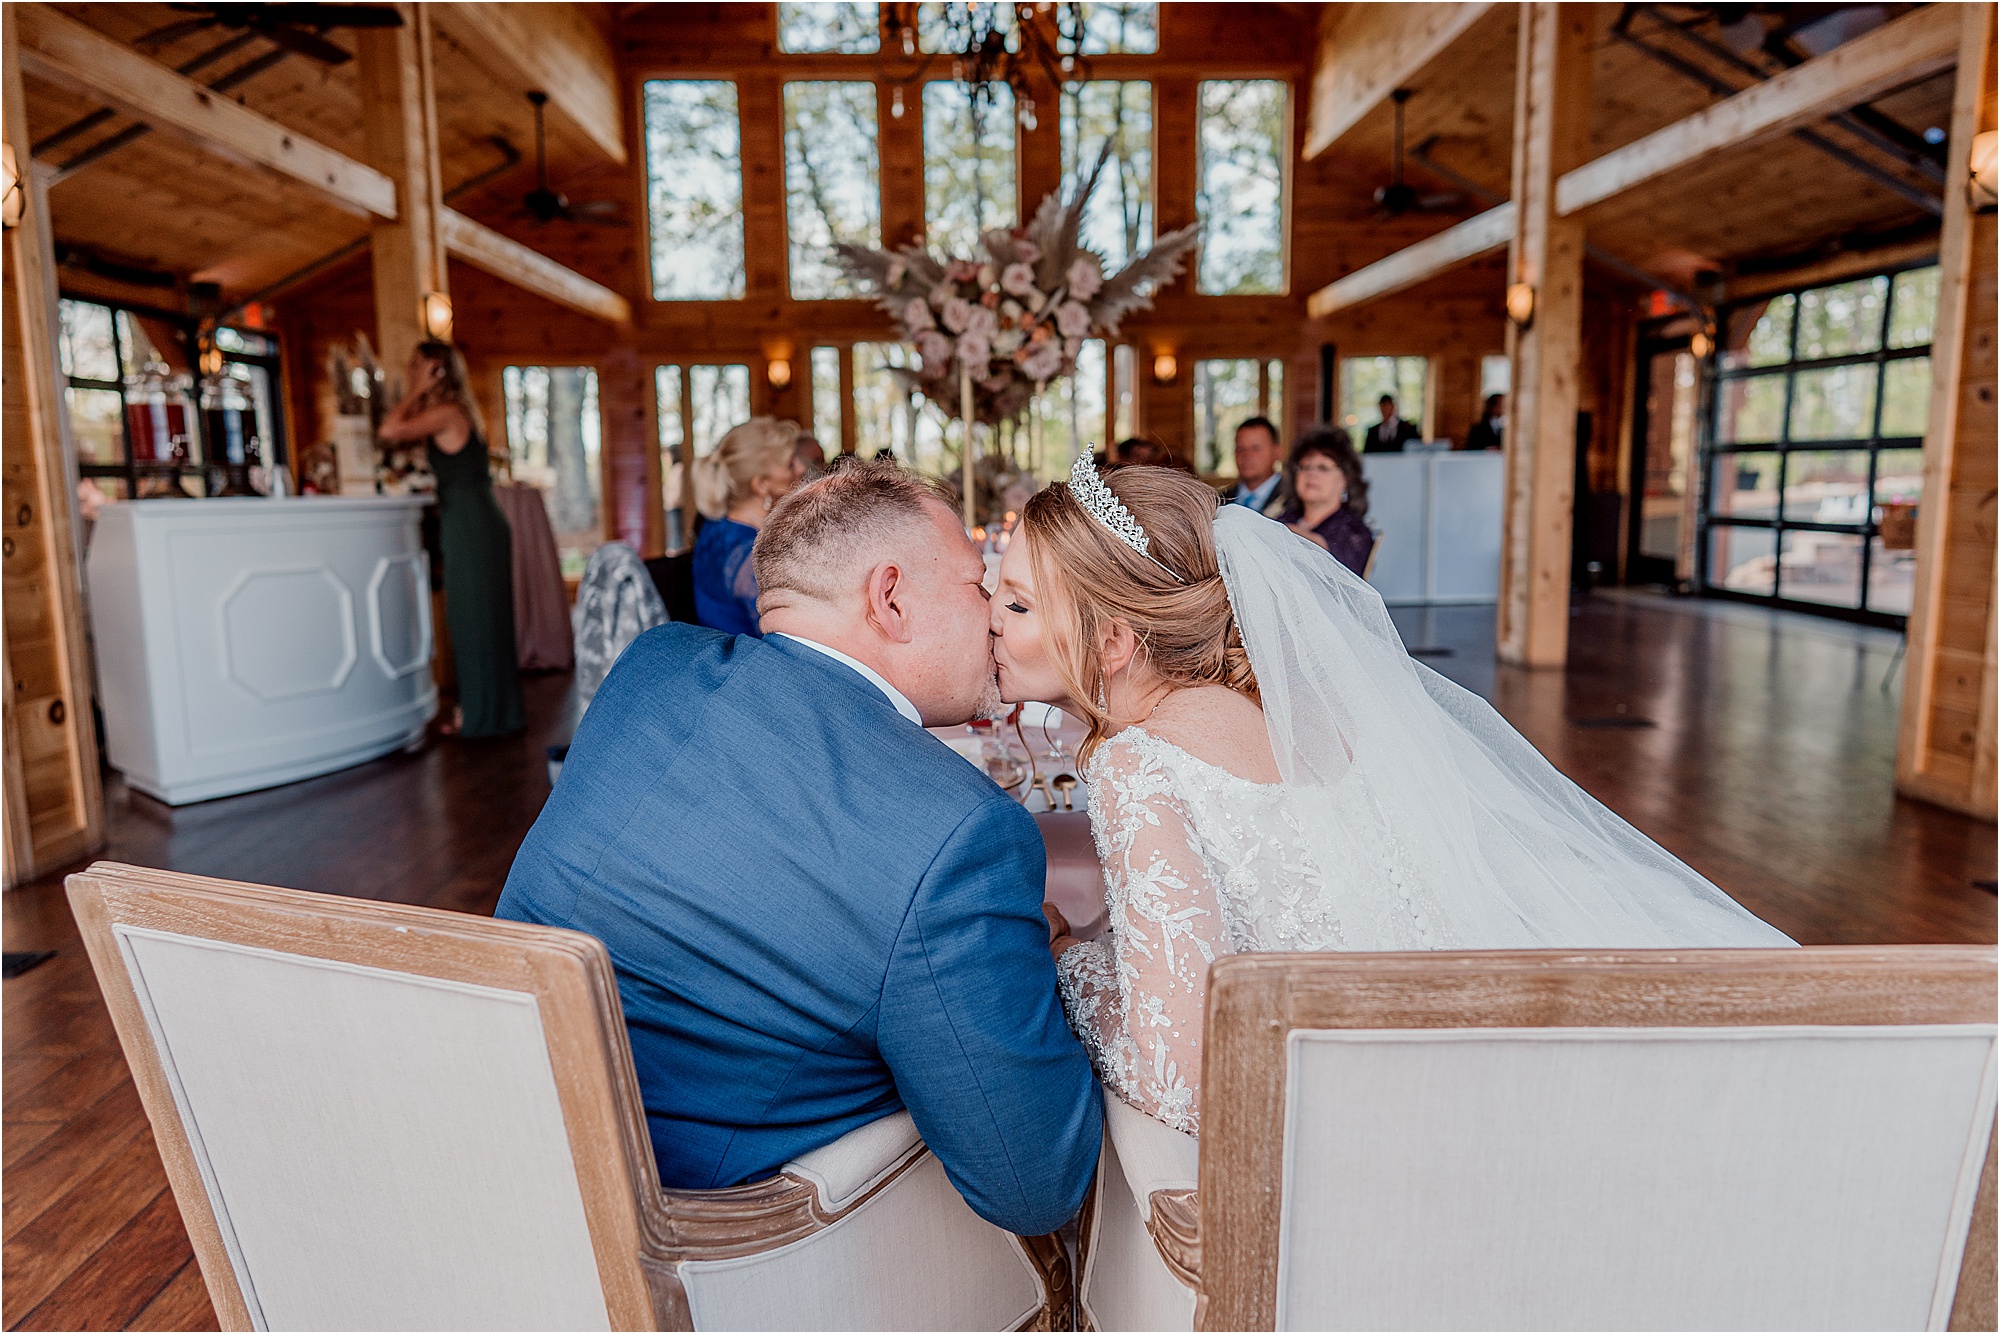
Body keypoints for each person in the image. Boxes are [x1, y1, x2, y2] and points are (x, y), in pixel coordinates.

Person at [989, 459, 1794, 1137]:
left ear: (1116, 643)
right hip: (1464, 1048)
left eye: (1018, 604)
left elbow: (1178, 1076)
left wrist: (1065, 964)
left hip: (1371, 1114)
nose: (990, 618)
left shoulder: (1140, 762)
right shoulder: (1295, 710)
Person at [496, 461, 1100, 1235]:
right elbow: (1038, 1186)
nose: (991, 617)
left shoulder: (652, 670)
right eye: (976, 587)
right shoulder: (955, 835)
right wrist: (1033, 959)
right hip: (691, 1241)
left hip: (503, 1137)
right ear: (890, 599)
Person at [378, 340, 523, 738]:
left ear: (437, 372)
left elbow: (388, 430)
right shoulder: (454, 412)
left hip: (471, 525)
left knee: (474, 620)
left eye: (418, 366)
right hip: (472, 522)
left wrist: (416, 390)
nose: (410, 371)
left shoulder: (445, 412)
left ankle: (482, 716)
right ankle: (485, 711)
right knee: (477, 620)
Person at [690, 417, 807, 637]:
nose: (801, 469)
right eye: (790, 464)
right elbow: (781, 637)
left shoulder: (716, 526)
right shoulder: (748, 553)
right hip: (748, 664)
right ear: (761, 485)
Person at [1275, 427, 1374, 577]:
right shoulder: (1285, 518)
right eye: (1305, 467)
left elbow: (1340, 573)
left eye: (1323, 468)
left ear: (1345, 479)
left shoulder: (1354, 531)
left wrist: (1278, 533)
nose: (1311, 474)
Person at [1223, 416, 1283, 513]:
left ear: (1277, 452)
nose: (1246, 455)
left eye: (1256, 448)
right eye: (1240, 449)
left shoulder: (1295, 501)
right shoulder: (1220, 501)